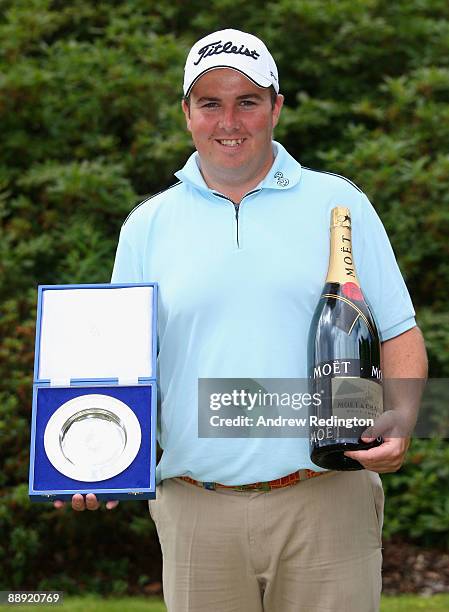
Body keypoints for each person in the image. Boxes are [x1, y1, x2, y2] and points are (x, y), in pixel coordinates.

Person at [55, 29, 428, 612]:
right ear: (187, 114)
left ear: (275, 108)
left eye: (247, 101)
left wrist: (403, 420)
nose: (229, 120)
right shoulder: (146, 226)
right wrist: (92, 460)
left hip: (326, 499)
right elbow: (115, 366)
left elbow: (400, 332)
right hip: (195, 511)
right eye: (210, 103)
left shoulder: (340, 205)